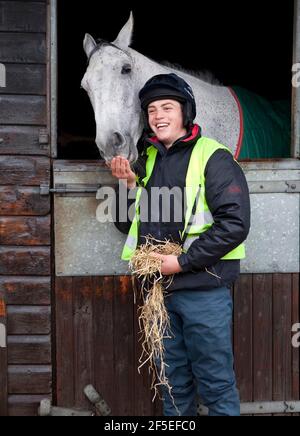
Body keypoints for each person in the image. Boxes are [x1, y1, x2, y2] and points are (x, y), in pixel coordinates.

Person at [110, 73, 251, 416]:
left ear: (185, 111)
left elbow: (235, 225)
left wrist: (183, 262)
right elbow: (126, 223)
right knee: (173, 386)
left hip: (203, 289)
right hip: (159, 293)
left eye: (167, 107)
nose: (158, 116)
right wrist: (126, 185)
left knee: (216, 385)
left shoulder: (213, 158)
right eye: (152, 109)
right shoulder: (150, 159)